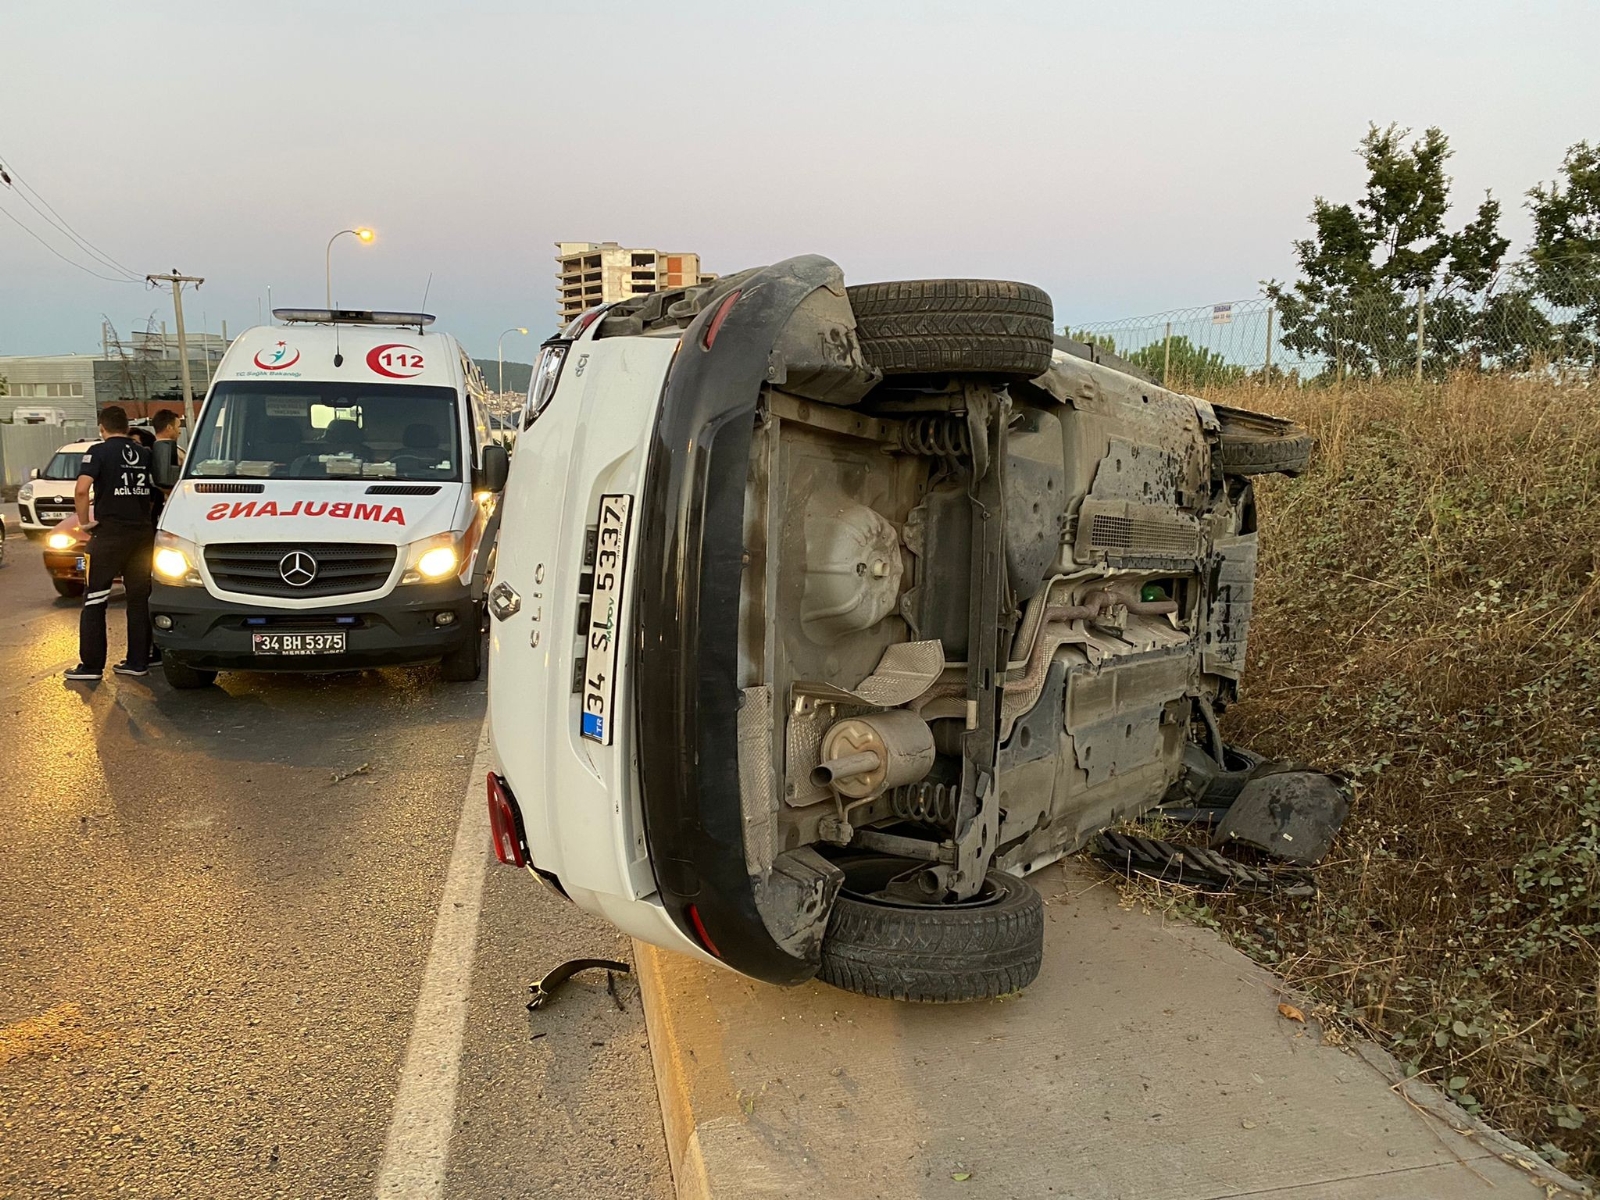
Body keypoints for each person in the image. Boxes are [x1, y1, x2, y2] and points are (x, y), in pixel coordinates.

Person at [64, 406, 154, 682]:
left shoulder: (98, 452)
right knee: (138, 599)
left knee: (95, 598)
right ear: (126, 427)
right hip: (142, 535)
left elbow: (82, 489)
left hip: (109, 535)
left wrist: (83, 522)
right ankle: (138, 661)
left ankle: (91, 666)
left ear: (101, 428)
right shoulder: (144, 453)